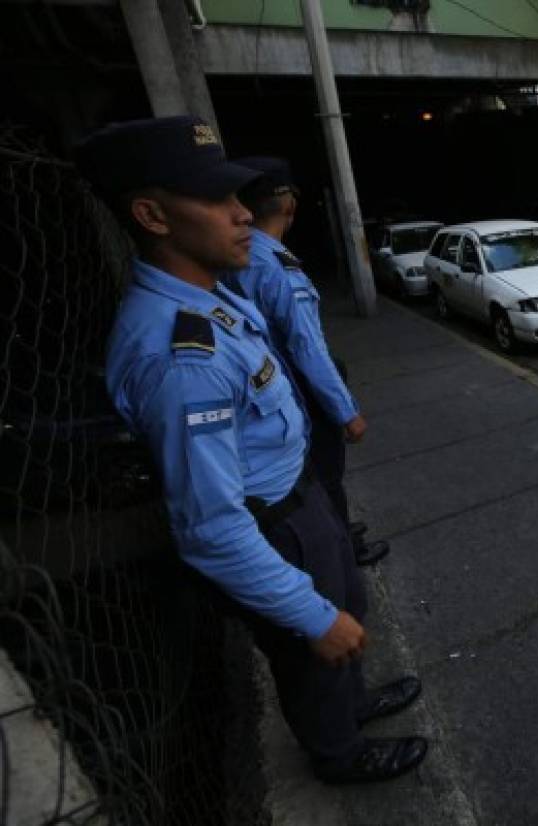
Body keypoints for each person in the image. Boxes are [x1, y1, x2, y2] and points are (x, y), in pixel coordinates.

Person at [76, 116, 425, 785]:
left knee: (350, 607)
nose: (243, 214)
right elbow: (209, 529)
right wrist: (309, 615)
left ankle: (354, 703)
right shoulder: (182, 361)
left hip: (300, 495)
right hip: (274, 525)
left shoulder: (207, 296)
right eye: (216, 200)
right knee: (315, 649)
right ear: (151, 214)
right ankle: (340, 752)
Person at [226, 156, 389, 567]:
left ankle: (340, 532)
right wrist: (345, 410)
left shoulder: (239, 257)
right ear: (289, 204)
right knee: (326, 477)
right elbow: (307, 348)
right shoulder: (277, 267)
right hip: (301, 393)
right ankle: (344, 551)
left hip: (271, 391)